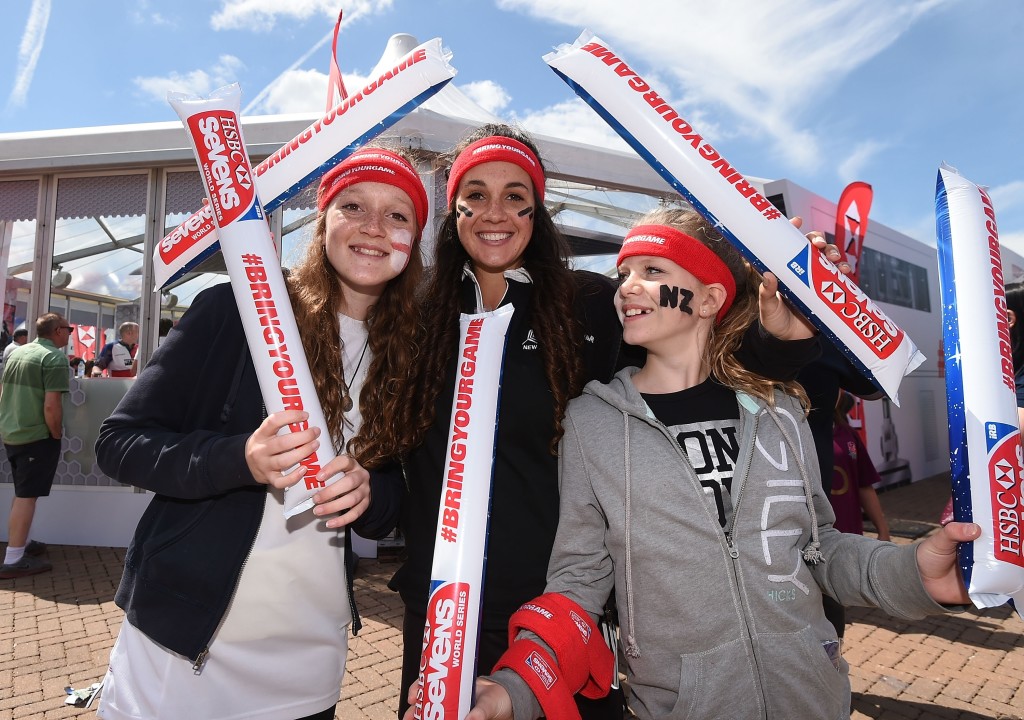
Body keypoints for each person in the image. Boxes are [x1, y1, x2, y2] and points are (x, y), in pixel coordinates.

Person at [385, 124, 828, 720]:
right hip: (439, 609)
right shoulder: (415, 317)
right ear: (453, 207)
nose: (497, 213)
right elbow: (391, 455)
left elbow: (697, 364)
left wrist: (780, 337)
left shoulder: (589, 303)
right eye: (477, 194)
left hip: (557, 612)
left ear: (537, 210)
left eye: (517, 195)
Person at [464, 208, 978, 720]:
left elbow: (821, 552)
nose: (626, 287)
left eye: (652, 271)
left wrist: (913, 574)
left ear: (710, 298)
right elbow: (578, 581)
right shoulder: (593, 421)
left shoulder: (779, 407)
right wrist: (517, 687)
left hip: (812, 698)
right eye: (624, 273)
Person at [93, 145, 424, 720]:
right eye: (354, 206)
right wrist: (238, 460)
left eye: (398, 214)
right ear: (323, 223)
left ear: (415, 240)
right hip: (186, 639)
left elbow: (397, 491)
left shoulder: (412, 355)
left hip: (308, 655)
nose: (374, 227)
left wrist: (372, 493)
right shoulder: (236, 311)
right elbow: (119, 442)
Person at [0, 314, 72, 579]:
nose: (70, 333)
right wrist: (55, 433)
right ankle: (14, 558)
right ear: (57, 331)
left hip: (12, 431)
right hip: (35, 436)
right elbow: (52, 405)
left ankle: (22, 543)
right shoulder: (53, 358)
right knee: (26, 496)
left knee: (22, 493)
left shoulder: (18, 353)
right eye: (68, 328)